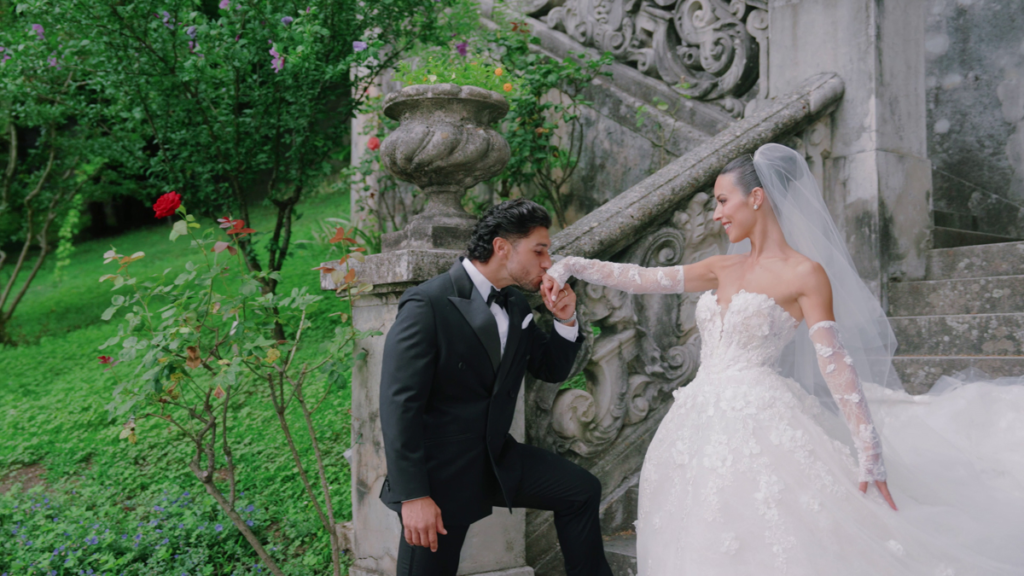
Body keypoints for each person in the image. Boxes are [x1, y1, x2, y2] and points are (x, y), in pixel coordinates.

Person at [542, 144, 1024, 574]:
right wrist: (570, 265)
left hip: (763, 421)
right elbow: (640, 277)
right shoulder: (720, 267)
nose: (715, 215)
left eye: (721, 200)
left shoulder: (805, 274)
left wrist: (869, 449)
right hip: (693, 424)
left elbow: (836, 365)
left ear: (757, 197)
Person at [379, 198, 614, 576]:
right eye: (539, 251)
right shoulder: (428, 304)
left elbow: (551, 369)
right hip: (441, 476)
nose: (546, 263)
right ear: (501, 247)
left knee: (580, 490)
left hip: (497, 459)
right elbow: (398, 405)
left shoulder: (517, 305)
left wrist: (566, 320)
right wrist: (415, 496)